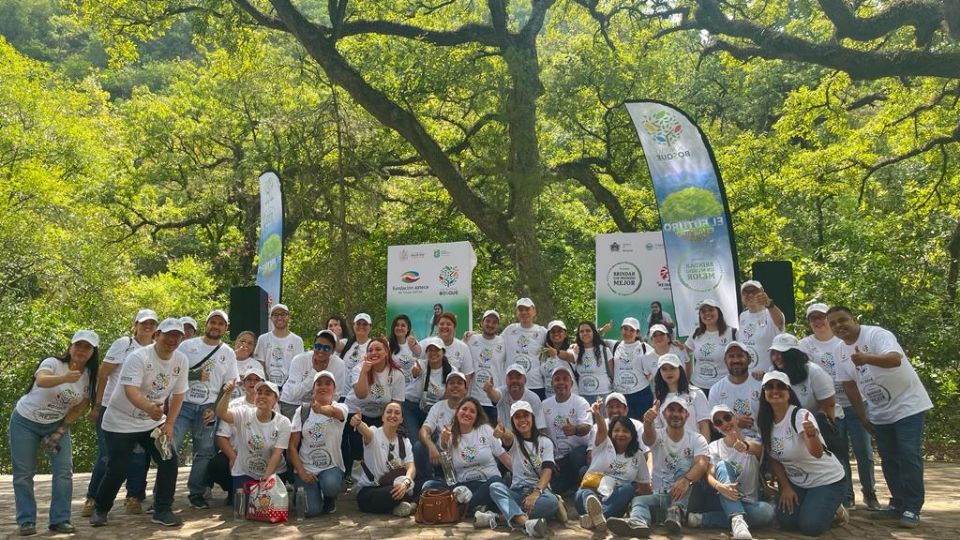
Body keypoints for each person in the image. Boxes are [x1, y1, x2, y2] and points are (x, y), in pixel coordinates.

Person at [829, 306, 932, 527]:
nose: (839, 326)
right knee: (888, 458)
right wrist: (863, 416)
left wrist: (866, 358)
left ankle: (913, 508)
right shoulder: (839, 351)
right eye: (833, 324)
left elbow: (895, 359)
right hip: (879, 411)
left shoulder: (876, 334)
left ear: (854, 319)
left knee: (908, 453)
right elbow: (849, 385)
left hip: (908, 405)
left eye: (842, 320)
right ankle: (898, 503)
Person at [91, 318, 189, 528]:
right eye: (168, 334)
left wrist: (169, 423)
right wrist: (149, 408)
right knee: (118, 468)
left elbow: (179, 395)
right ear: (157, 335)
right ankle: (100, 508)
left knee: (168, 459)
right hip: (120, 422)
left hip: (151, 423)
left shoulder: (181, 361)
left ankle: (163, 509)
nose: (172, 340)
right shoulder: (138, 357)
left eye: (177, 336)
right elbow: (130, 390)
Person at [11, 330, 99, 536]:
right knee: (24, 473)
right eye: (78, 345)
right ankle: (26, 520)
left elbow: (79, 407)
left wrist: (60, 432)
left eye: (87, 347)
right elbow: (41, 380)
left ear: (93, 353)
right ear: (70, 347)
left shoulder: (89, 377)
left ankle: (60, 519)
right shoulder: (53, 363)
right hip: (25, 421)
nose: (81, 350)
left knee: (63, 472)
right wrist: (64, 377)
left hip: (55, 424)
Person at [800, 303, 879, 510]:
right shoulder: (805, 345)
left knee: (864, 452)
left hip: (856, 402)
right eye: (812, 318)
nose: (818, 321)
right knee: (839, 451)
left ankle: (870, 493)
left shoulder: (844, 340)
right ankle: (846, 495)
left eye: (821, 317)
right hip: (829, 408)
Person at [84, 308, 157, 517]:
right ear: (135, 325)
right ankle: (93, 497)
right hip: (111, 407)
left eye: (152, 323)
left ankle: (133, 497)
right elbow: (103, 374)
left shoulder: (156, 350)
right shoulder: (123, 344)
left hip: (139, 411)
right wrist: (97, 405)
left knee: (138, 455)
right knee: (107, 455)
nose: (148, 326)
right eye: (144, 323)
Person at [758, 371, 847, 536]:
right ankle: (812, 504)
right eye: (769, 386)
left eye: (780, 386)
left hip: (826, 480)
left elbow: (817, 453)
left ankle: (835, 510)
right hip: (798, 482)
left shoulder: (800, 416)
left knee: (810, 527)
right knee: (786, 522)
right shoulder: (764, 422)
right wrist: (785, 488)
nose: (775, 390)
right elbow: (773, 458)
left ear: (789, 392)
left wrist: (812, 435)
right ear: (764, 393)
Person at [174, 309, 238, 509]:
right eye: (213, 322)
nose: (216, 326)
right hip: (183, 405)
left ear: (225, 329)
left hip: (207, 408)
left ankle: (196, 493)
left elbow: (229, 383)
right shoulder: (187, 346)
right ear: (206, 324)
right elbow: (172, 371)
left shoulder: (228, 353)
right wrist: (194, 375)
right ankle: (162, 494)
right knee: (170, 448)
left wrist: (214, 405)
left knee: (204, 452)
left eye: (220, 324)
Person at [686, 405, 774, 539]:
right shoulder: (714, 446)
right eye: (718, 422)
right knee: (722, 465)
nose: (725, 424)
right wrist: (719, 486)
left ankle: (705, 519)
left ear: (735, 418)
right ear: (716, 428)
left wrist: (744, 446)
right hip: (722, 497)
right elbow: (710, 474)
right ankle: (737, 520)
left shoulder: (753, 440)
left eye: (727, 418)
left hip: (748, 501)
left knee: (767, 512)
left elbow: (759, 450)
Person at [476, 401, 556, 537]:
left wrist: (536, 492)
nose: (522, 420)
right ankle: (526, 523)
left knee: (551, 502)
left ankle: (498, 517)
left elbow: (547, 470)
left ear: (532, 418)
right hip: (517, 491)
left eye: (526, 415)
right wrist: (502, 432)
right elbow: (508, 437)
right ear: (513, 421)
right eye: (517, 417)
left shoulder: (545, 441)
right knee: (495, 487)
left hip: (540, 492)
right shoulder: (514, 440)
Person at [422, 397, 511, 514]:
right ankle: (474, 506)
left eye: (472, 411)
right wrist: (443, 444)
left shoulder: (486, 430)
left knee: (496, 482)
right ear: (457, 412)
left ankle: (461, 508)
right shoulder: (449, 434)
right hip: (462, 488)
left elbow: (505, 458)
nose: (467, 413)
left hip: (487, 484)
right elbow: (446, 470)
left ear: (476, 417)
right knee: (429, 485)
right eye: (464, 409)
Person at [576, 401, 651, 533]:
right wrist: (598, 414)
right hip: (592, 494)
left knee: (628, 489)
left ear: (632, 435)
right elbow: (601, 430)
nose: (620, 434)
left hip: (615, 501)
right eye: (616, 430)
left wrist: (655, 503)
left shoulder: (638, 456)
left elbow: (644, 486)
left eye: (625, 431)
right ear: (610, 433)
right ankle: (598, 517)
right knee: (585, 493)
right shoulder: (603, 446)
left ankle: (596, 518)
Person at [342, 336, 406, 484]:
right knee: (358, 447)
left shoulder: (397, 374)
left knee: (379, 445)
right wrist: (365, 371)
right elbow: (361, 394)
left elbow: (396, 407)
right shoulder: (359, 368)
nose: (374, 352)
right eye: (370, 350)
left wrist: (389, 426)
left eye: (378, 349)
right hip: (356, 411)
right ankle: (354, 479)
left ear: (386, 352)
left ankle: (380, 476)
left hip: (381, 414)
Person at [769, 333, 843, 454]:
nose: (777, 357)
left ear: (794, 354)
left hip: (823, 420)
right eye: (774, 353)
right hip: (795, 425)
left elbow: (828, 405)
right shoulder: (773, 372)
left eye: (782, 353)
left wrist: (827, 431)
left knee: (832, 456)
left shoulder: (814, 372)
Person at [205, 363, 267, 504]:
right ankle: (232, 490)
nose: (253, 383)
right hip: (237, 453)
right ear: (243, 384)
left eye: (257, 380)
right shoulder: (233, 405)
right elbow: (221, 436)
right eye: (249, 380)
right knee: (216, 465)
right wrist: (234, 457)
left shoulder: (272, 404)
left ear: (263, 383)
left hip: (262, 454)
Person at [289, 371, 348, 516]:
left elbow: (336, 414)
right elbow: (292, 446)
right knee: (310, 511)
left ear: (334, 389)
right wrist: (302, 472)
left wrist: (321, 409)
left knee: (331, 485)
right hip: (307, 467)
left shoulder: (341, 407)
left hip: (331, 466)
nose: (323, 387)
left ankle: (329, 498)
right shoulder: (302, 411)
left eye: (328, 384)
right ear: (313, 389)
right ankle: (303, 490)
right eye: (319, 384)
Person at [216, 379, 291, 493]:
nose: (262, 396)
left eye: (267, 393)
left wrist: (265, 479)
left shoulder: (283, 422)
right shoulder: (244, 413)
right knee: (245, 510)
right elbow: (222, 413)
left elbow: (277, 453)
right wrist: (227, 394)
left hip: (274, 472)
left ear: (276, 399)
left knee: (267, 509)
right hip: (244, 472)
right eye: (259, 393)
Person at [351, 401, 417, 515]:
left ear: (401, 419)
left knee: (423, 485)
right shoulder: (374, 433)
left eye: (397, 413)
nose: (392, 415)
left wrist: (406, 483)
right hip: (372, 490)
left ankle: (400, 506)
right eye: (389, 412)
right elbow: (365, 431)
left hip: (396, 485)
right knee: (388, 494)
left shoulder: (405, 441)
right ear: (382, 417)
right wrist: (359, 423)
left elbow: (411, 467)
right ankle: (410, 505)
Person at [540, 366, 591, 495]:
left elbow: (586, 427)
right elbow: (541, 434)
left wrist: (574, 430)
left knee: (577, 456)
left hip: (577, 454)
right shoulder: (544, 405)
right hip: (557, 458)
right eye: (557, 379)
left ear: (571, 383)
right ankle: (569, 485)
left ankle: (578, 485)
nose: (561, 382)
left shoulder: (580, 402)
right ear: (552, 383)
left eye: (565, 379)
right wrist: (549, 458)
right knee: (556, 488)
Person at [415, 371, 468, 484]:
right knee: (419, 447)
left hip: (463, 455)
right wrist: (431, 446)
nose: (455, 386)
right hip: (441, 456)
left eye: (459, 383)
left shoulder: (470, 408)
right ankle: (429, 483)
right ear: (446, 388)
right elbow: (424, 430)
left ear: (465, 390)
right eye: (451, 383)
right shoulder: (438, 406)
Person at [280, 330, 347, 419]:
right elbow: (293, 394)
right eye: (318, 346)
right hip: (293, 404)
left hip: (321, 406)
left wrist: (321, 407)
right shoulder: (299, 360)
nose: (321, 351)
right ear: (313, 346)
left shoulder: (339, 364)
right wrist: (315, 371)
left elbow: (336, 395)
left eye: (326, 348)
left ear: (333, 350)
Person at [707, 342, 763, 440]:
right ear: (725, 360)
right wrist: (734, 422)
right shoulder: (716, 390)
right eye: (731, 356)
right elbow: (713, 426)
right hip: (730, 444)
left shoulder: (760, 384)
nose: (736, 360)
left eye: (740, 356)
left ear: (749, 359)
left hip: (760, 442)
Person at [402, 338, 452, 443]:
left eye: (436, 350)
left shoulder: (451, 371)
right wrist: (415, 371)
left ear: (443, 352)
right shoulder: (421, 364)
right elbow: (415, 370)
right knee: (415, 441)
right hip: (411, 407)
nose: (433, 353)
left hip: (434, 410)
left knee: (434, 441)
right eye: (430, 350)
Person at [653, 354, 710, 441]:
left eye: (672, 368)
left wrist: (704, 451)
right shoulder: (658, 399)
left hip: (695, 448)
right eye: (664, 369)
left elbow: (704, 425)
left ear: (680, 369)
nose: (668, 372)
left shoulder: (696, 393)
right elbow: (658, 429)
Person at [684, 299, 736, 393]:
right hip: (697, 387)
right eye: (703, 311)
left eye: (711, 310)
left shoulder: (732, 333)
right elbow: (685, 352)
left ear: (718, 312)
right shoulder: (696, 333)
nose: (707, 313)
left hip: (723, 387)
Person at [607, 317, 654, 420]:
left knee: (642, 427)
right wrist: (603, 330)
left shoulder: (644, 347)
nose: (628, 333)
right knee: (624, 428)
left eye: (632, 330)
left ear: (637, 333)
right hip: (621, 396)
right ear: (621, 330)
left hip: (641, 395)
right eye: (625, 329)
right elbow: (593, 338)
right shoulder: (614, 345)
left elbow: (656, 366)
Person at [501, 298, 548, 399]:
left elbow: (557, 345)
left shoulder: (542, 332)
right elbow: (494, 343)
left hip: (535, 385)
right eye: (521, 310)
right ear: (516, 312)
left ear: (534, 311)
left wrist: (573, 347)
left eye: (527, 309)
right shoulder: (509, 330)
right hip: (513, 386)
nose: (524, 312)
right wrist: (475, 335)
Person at [737, 281, 785, 379]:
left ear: (762, 293)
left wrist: (770, 304)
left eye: (754, 291)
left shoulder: (772, 313)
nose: (750, 294)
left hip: (769, 377)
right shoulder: (742, 316)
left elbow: (780, 322)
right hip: (748, 377)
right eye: (746, 292)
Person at [467, 309, 506, 422]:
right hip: (474, 400)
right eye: (488, 321)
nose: (490, 324)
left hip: (494, 401)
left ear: (498, 326)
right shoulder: (471, 339)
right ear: (482, 323)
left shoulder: (503, 342)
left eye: (494, 322)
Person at [585, 392, 647, 462]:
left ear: (626, 410)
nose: (614, 411)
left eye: (618, 406)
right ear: (606, 410)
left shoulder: (638, 426)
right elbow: (590, 457)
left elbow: (646, 453)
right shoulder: (597, 427)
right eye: (610, 407)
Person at [254, 303, 305, 388]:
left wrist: (286, 387)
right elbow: (259, 365)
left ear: (288, 317)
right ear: (271, 318)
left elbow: (298, 367)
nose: (279, 317)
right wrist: (268, 386)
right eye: (276, 315)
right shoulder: (263, 339)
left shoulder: (297, 341)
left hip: (289, 389)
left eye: (283, 314)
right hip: (266, 388)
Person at [485, 364, 547, 430]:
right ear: (506, 380)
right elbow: (495, 396)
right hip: (505, 436)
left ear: (525, 380)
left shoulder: (533, 398)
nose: (514, 381)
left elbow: (540, 426)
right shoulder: (502, 391)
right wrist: (489, 391)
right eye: (511, 378)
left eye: (518, 377)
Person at [567, 321, 612, 404]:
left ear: (594, 332)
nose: (584, 333)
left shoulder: (604, 350)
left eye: (588, 330)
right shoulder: (575, 351)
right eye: (581, 331)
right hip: (582, 396)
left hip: (603, 394)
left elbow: (612, 373)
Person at [389, 314, 422, 414]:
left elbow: (419, 355)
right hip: (393, 392)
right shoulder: (387, 344)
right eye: (397, 325)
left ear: (408, 329)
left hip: (411, 393)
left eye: (403, 325)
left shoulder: (412, 342)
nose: (399, 328)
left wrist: (414, 345)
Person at [539, 320, 576, 399]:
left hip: (570, 399)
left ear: (565, 334)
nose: (556, 333)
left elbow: (568, 356)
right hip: (549, 399)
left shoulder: (572, 349)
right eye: (553, 331)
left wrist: (556, 352)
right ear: (548, 335)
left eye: (559, 331)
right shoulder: (544, 354)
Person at [230, 330, 259, 399]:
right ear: (236, 342)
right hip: (225, 404)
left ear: (253, 348)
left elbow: (260, 388)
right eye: (242, 341)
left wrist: (249, 380)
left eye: (250, 343)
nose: (245, 345)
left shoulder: (257, 365)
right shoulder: (226, 359)